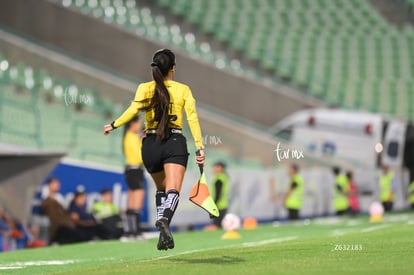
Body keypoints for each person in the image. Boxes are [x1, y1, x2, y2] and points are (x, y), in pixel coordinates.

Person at [103, 49, 204, 251]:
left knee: (160, 189)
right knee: (173, 189)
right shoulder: (183, 90)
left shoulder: (144, 88)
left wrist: (114, 125)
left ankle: (162, 233)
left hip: (150, 145)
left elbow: (133, 110)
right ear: (173, 68)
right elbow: (192, 119)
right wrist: (199, 147)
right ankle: (165, 221)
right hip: (173, 142)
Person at [41, 178, 89, 244]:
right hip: (58, 227)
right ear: (50, 185)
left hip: (67, 224)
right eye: (55, 184)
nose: (58, 185)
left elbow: (65, 212)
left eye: (58, 184)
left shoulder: (59, 198)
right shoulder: (46, 199)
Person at [121, 115, 145, 240]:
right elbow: (140, 157)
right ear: (132, 124)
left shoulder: (128, 137)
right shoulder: (131, 137)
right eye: (139, 123)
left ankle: (129, 231)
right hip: (135, 169)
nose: (140, 126)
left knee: (131, 201)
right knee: (137, 201)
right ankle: (136, 232)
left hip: (131, 170)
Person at [207, 161, 230, 229]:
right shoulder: (224, 177)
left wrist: (214, 205)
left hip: (219, 206)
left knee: (216, 226)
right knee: (219, 225)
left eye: (216, 167)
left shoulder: (219, 179)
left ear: (221, 168)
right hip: (223, 205)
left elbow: (218, 193)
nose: (214, 169)